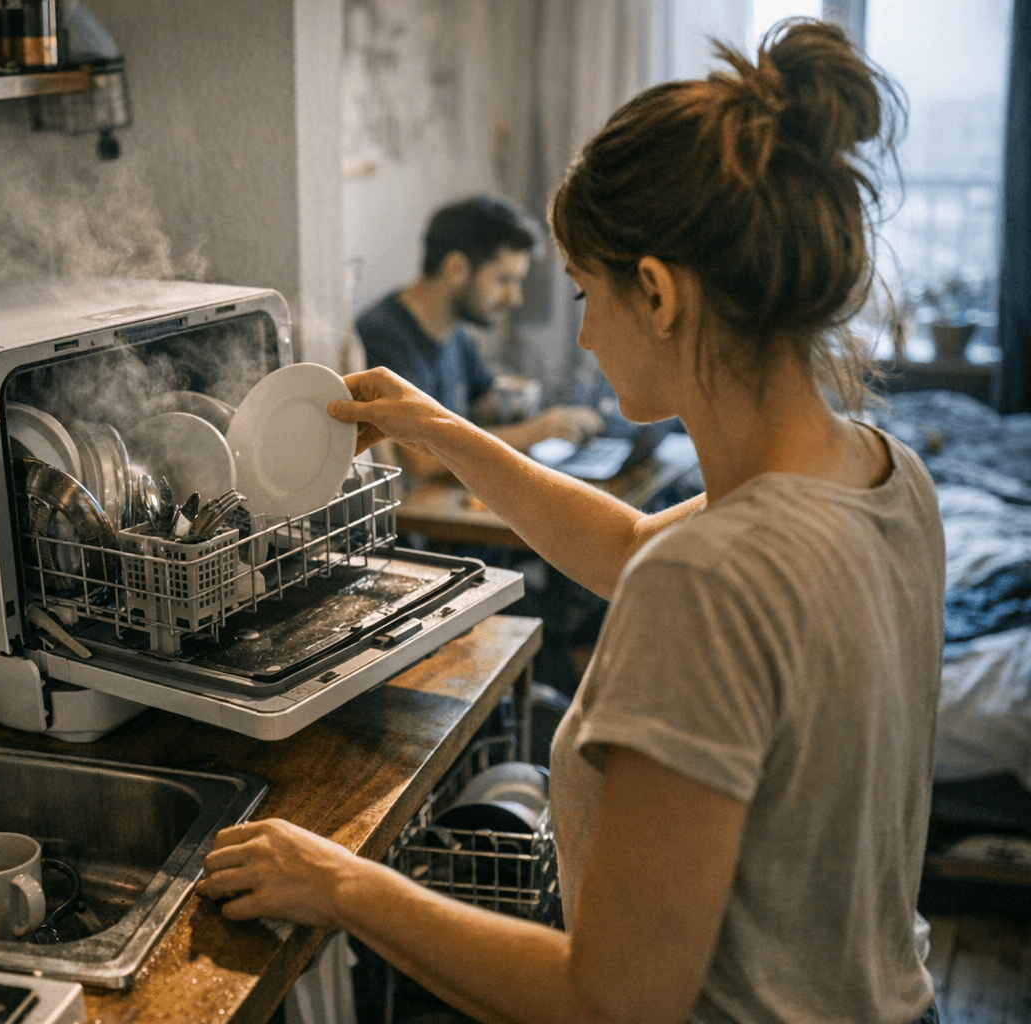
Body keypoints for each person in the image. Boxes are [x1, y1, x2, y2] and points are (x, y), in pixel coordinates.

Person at [199, 19, 944, 1024]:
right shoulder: (883, 475)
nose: (584, 332)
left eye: (588, 293)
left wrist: (343, 883)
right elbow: (639, 546)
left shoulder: (713, 582)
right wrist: (443, 429)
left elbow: (613, 1002)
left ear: (659, 293)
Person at [354, 194, 603, 481]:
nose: (514, 298)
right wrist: (538, 430)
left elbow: (487, 400)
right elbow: (422, 461)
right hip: (419, 519)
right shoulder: (383, 337)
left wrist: (561, 412)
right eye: (503, 280)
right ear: (456, 268)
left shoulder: (455, 331)